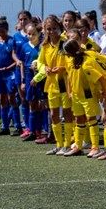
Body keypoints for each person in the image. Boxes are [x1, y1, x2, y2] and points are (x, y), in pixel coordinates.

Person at [62, 38, 106, 157]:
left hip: (88, 94)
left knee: (91, 119)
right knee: (79, 119)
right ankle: (78, 146)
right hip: (76, 95)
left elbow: (102, 79)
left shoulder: (86, 64)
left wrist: (105, 96)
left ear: (69, 53)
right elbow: (70, 76)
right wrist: (70, 92)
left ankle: (95, 147)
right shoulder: (72, 61)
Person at [35, 15, 73, 155]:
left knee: (67, 113)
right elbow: (40, 62)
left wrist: (62, 68)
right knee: (54, 114)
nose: (51, 31)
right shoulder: (44, 46)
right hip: (51, 84)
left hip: (64, 83)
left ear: (59, 28)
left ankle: (68, 144)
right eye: (48, 29)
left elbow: (72, 61)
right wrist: (44, 68)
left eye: (54, 29)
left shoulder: (65, 43)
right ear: (44, 30)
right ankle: (59, 144)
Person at [0, 17, 21, 136]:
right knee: (2, 99)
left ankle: (18, 126)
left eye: (3, 31)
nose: (1, 33)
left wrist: (8, 67)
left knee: (12, 99)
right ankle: (4, 127)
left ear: (7, 30)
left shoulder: (12, 42)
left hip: (10, 74)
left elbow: (15, 58)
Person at [20, 22, 44, 142]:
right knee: (32, 104)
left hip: (41, 77)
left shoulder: (42, 46)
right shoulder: (24, 47)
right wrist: (23, 81)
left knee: (42, 104)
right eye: (28, 34)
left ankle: (41, 129)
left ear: (39, 33)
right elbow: (22, 64)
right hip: (30, 78)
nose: (30, 36)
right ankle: (32, 130)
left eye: (33, 34)